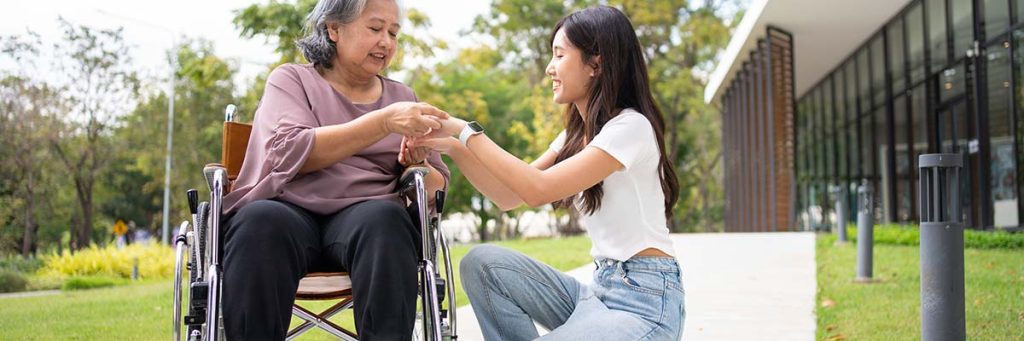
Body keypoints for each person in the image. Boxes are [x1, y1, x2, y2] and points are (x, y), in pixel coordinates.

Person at [410, 6, 684, 340]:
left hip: (644, 304)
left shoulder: (630, 127)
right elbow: (508, 195)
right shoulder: (575, 135)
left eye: (559, 55)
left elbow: (538, 189)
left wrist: (465, 130)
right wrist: (452, 146)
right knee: (482, 265)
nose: (549, 68)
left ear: (595, 64)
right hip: (597, 294)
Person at [219, 0, 450, 339]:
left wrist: (417, 164)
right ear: (333, 29)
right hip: (287, 208)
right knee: (259, 221)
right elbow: (289, 151)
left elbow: (436, 189)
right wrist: (383, 122)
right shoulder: (291, 80)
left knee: (387, 221)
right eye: (374, 29)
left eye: (393, 33)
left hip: (367, 217)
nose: (386, 41)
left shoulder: (403, 97)